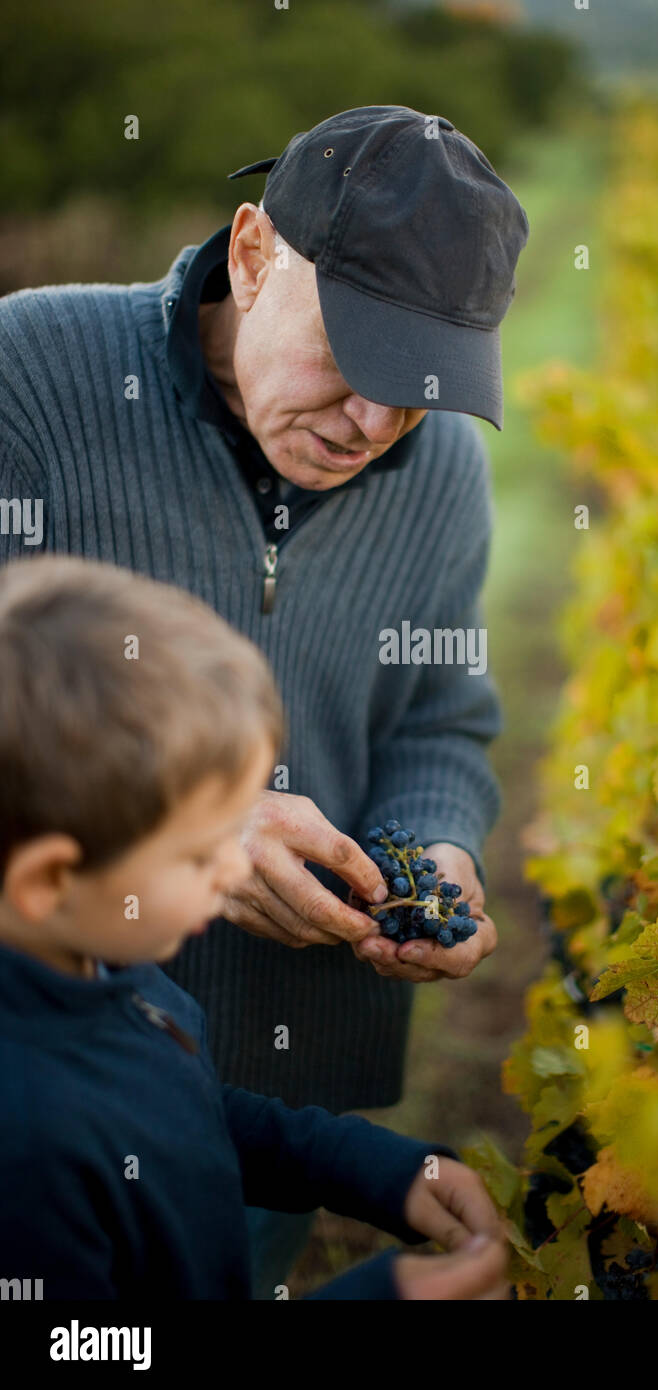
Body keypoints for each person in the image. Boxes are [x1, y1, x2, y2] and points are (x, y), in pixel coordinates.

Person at [0, 105, 529, 1295]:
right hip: (50, 1056)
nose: (375, 427)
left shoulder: (439, 470)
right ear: (251, 253)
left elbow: (440, 709)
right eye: (356, 369)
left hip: (287, 1096)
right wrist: (194, 820)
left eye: (421, 392)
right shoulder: (28, 371)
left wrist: (437, 841)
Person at [0, 554, 509, 1300]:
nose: (235, 869)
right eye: (203, 852)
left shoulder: (106, 969)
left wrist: (364, 1168)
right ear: (48, 879)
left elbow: (185, 1114)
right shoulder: (25, 1150)